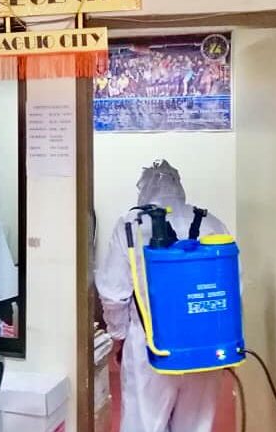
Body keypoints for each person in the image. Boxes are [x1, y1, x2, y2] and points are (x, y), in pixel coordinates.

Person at [96, 160, 229, 432]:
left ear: (143, 192)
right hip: (203, 348)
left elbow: (113, 294)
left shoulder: (130, 226)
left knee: (144, 424)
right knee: (196, 426)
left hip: (150, 347)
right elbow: (231, 287)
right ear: (180, 187)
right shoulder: (212, 223)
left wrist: (119, 337)